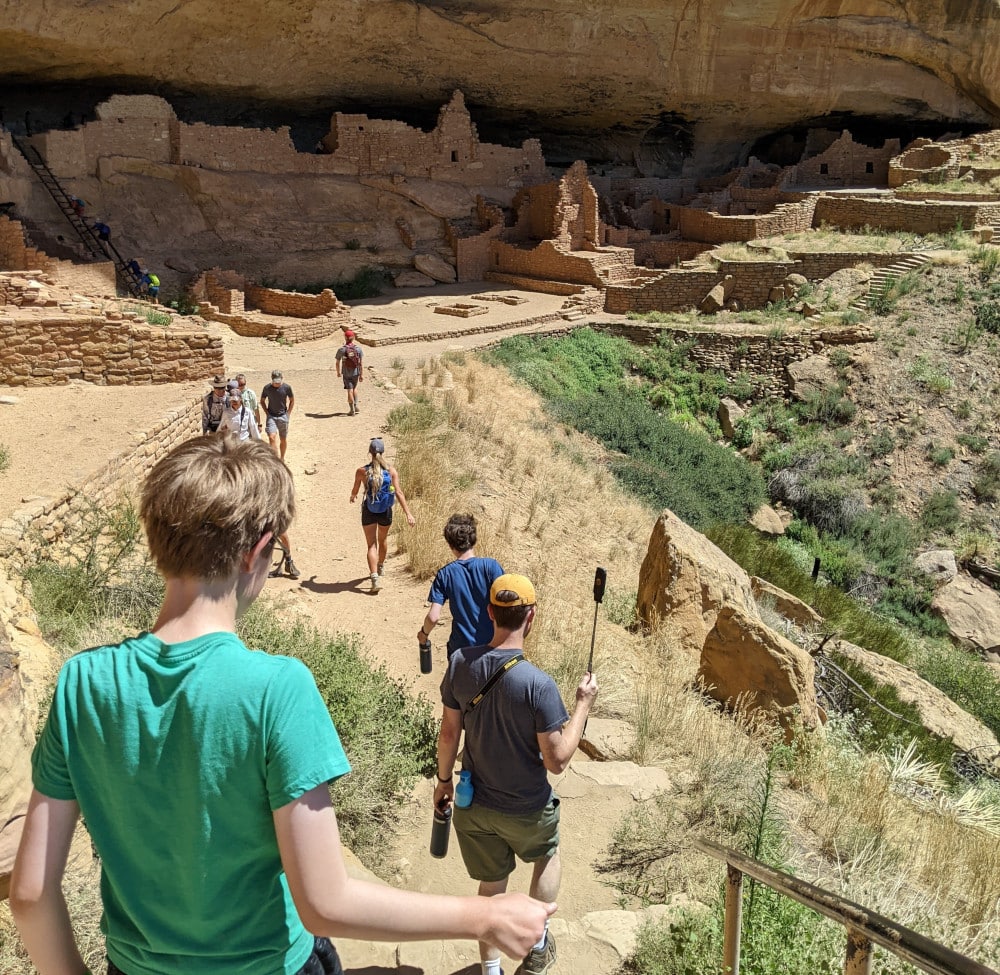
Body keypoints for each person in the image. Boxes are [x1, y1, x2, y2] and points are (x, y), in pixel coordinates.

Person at [10, 435, 553, 975]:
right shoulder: (277, 689)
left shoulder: (81, 683)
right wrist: (481, 915)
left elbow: (31, 894)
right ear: (259, 550)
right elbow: (324, 901)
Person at [435, 574, 598, 975]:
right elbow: (557, 760)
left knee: (491, 891)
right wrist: (582, 704)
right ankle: (538, 944)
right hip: (526, 808)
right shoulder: (538, 685)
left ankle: (491, 971)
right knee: (547, 855)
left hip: (474, 805)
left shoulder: (460, 664)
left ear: (490, 613)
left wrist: (443, 782)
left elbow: (448, 733)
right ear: (532, 617)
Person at [418, 514, 505, 663]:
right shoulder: (491, 567)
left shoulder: (445, 574)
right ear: (473, 539)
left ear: (450, 544)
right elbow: (507, 603)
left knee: (459, 686)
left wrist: (424, 634)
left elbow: (433, 617)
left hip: (461, 651)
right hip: (493, 648)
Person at [350, 437, 415, 592]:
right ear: (383, 452)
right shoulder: (391, 471)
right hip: (385, 511)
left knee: (371, 544)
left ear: (370, 453)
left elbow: (355, 490)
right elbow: (398, 492)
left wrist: (353, 496)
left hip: (369, 510)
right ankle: (380, 566)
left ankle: (374, 577)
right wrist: (408, 514)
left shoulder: (362, 471)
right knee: (383, 539)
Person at [260, 370, 294, 460]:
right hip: (271, 416)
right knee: (271, 437)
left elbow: (292, 400)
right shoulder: (267, 388)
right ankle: (275, 459)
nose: (277, 383)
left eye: (279, 381)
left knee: (283, 439)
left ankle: (282, 458)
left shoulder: (287, 388)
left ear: (282, 379)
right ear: (272, 379)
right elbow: (262, 401)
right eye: (275, 382)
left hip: (283, 416)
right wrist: (267, 413)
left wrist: (288, 414)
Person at [335, 328, 363, 415]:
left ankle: (352, 410)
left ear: (345, 338)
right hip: (356, 372)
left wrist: (338, 372)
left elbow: (337, 362)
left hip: (346, 373)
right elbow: (361, 363)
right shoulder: (358, 349)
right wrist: (361, 374)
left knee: (349, 390)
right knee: (354, 388)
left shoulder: (342, 350)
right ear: (353, 338)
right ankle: (356, 405)